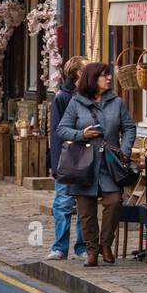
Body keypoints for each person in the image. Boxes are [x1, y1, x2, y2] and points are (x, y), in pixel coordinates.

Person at [55, 61, 137, 266]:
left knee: (115, 201)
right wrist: (81, 134)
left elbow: (129, 127)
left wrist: (125, 151)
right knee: (86, 211)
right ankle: (91, 251)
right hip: (83, 163)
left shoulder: (116, 102)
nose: (109, 78)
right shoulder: (76, 103)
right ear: (93, 79)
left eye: (109, 74)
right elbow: (62, 129)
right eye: (104, 75)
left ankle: (106, 244)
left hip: (109, 164)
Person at [47, 55, 89, 261]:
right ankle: (59, 247)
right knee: (63, 203)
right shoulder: (62, 98)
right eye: (87, 69)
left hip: (88, 157)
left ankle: (82, 247)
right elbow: (55, 132)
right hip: (67, 158)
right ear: (79, 73)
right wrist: (55, 164)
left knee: (84, 204)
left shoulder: (91, 96)